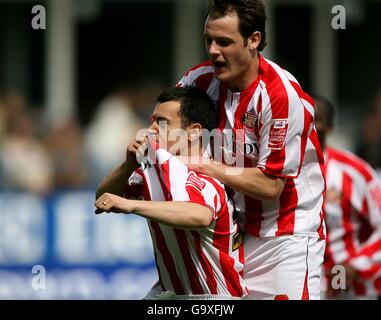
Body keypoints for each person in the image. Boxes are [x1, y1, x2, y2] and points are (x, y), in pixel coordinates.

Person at [177, 0, 326, 299]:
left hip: (284, 238)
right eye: (209, 40)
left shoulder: (280, 96)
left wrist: (205, 165)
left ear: (254, 40)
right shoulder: (198, 81)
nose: (213, 51)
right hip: (230, 233)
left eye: (224, 42)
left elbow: (270, 186)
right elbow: (165, 130)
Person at [95, 86, 248, 300]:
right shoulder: (154, 171)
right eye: (153, 120)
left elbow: (200, 214)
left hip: (213, 298)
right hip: (171, 293)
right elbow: (102, 198)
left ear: (194, 131)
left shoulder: (206, 178)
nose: (151, 129)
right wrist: (127, 166)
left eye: (163, 123)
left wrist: (132, 205)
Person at [314, 95, 381, 300]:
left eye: (316, 119)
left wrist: (354, 265)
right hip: (301, 285)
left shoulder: (354, 172)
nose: (308, 126)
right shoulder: (277, 173)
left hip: (347, 289)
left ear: (330, 127)